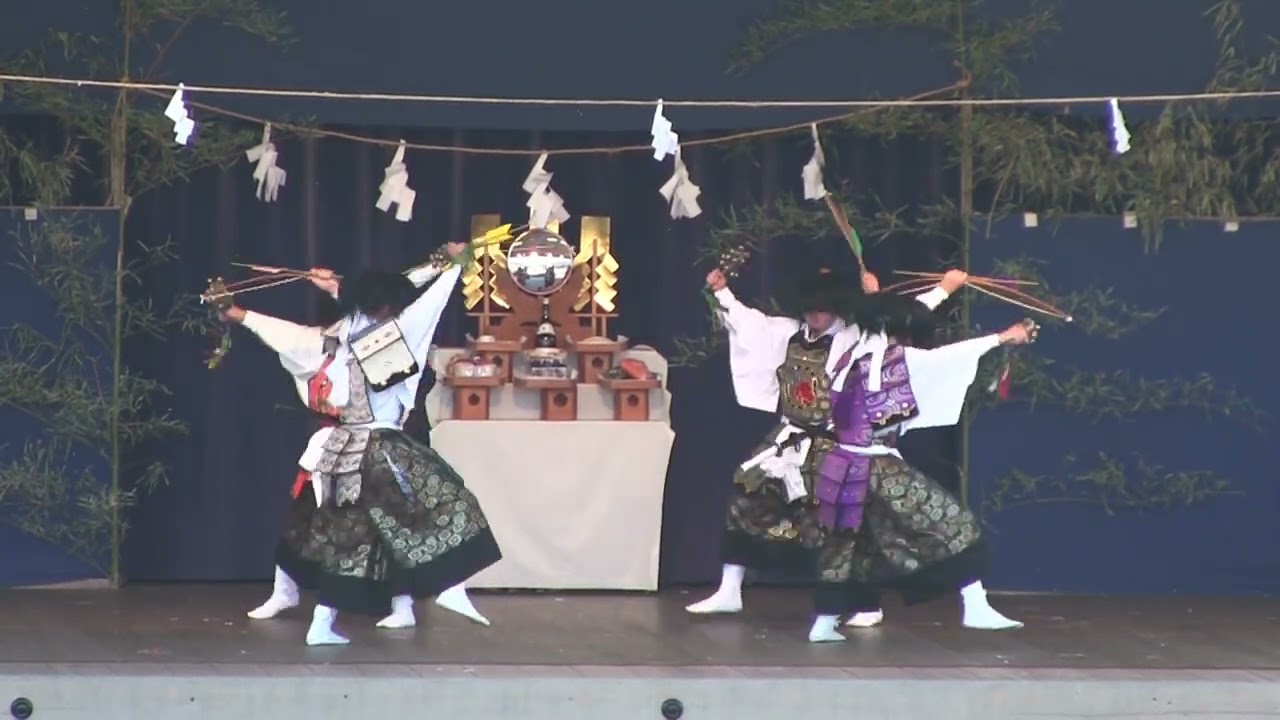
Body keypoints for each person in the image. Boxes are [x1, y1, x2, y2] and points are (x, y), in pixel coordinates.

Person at [222, 242, 502, 646]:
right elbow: (429, 304)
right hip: (380, 445)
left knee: (357, 533)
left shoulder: (350, 329)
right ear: (389, 306)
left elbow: (365, 298)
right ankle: (445, 587)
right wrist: (455, 268)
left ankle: (378, 609)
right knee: (444, 503)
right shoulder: (399, 331)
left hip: (343, 446)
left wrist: (335, 288)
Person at [685, 264, 967, 643]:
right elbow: (747, 325)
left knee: (846, 523)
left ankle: (867, 603)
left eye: (823, 310)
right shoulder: (787, 334)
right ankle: (730, 589)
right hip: (790, 439)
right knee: (746, 489)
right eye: (811, 310)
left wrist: (942, 289)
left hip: (839, 444)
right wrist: (723, 293)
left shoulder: (855, 337)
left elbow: (899, 317)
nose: (815, 317)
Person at [808, 294, 1031, 642]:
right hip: (875, 466)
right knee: (950, 522)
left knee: (847, 545)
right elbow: (948, 358)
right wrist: (1002, 337)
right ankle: (975, 607)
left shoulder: (846, 358)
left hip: (837, 466)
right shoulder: (899, 358)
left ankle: (822, 625)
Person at [246, 262, 452, 631]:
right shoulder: (357, 329)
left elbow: (414, 306)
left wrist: (452, 268)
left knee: (389, 527)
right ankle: (287, 590)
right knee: (305, 517)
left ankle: (398, 606)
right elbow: (358, 315)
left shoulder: (398, 341)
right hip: (342, 444)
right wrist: (332, 287)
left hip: (383, 442)